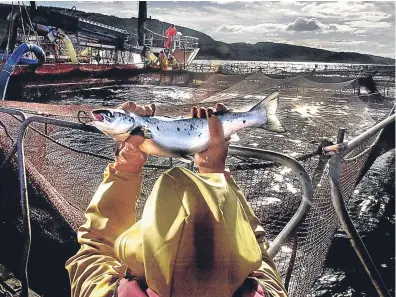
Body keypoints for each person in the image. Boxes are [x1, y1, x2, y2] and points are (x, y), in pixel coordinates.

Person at [65, 102, 288, 297]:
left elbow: (96, 248)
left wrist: (125, 168)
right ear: (241, 257)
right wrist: (215, 171)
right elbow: (260, 255)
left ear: (140, 256)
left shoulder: (100, 292)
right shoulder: (269, 291)